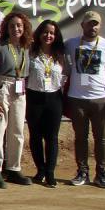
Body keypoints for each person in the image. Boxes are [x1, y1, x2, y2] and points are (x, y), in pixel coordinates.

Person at [65, 10, 105, 188]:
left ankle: (102, 174)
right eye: (89, 23)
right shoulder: (71, 43)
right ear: (82, 25)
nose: (93, 27)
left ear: (100, 26)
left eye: (96, 24)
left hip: (100, 99)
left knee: (101, 139)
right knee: (80, 138)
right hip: (77, 98)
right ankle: (82, 172)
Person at [0, 12, 33, 188]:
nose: (16, 29)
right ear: (6, 28)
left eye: (19, 26)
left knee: (17, 129)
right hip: (2, 86)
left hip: (20, 88)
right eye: (12, 26)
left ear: (24, 27)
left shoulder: (26, 48)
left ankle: (14, 168)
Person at [27, 19, 67, 188]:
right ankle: (40, 170)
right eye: (45, 32)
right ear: (39, 34)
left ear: (56, 36)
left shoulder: (60, 55)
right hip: (34, 97)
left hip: (54, 98)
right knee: (35, 136)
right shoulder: (30, 53)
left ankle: (50, 173)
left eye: (52, 33)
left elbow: (66, 75)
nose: (48, 36)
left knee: (52, 137)